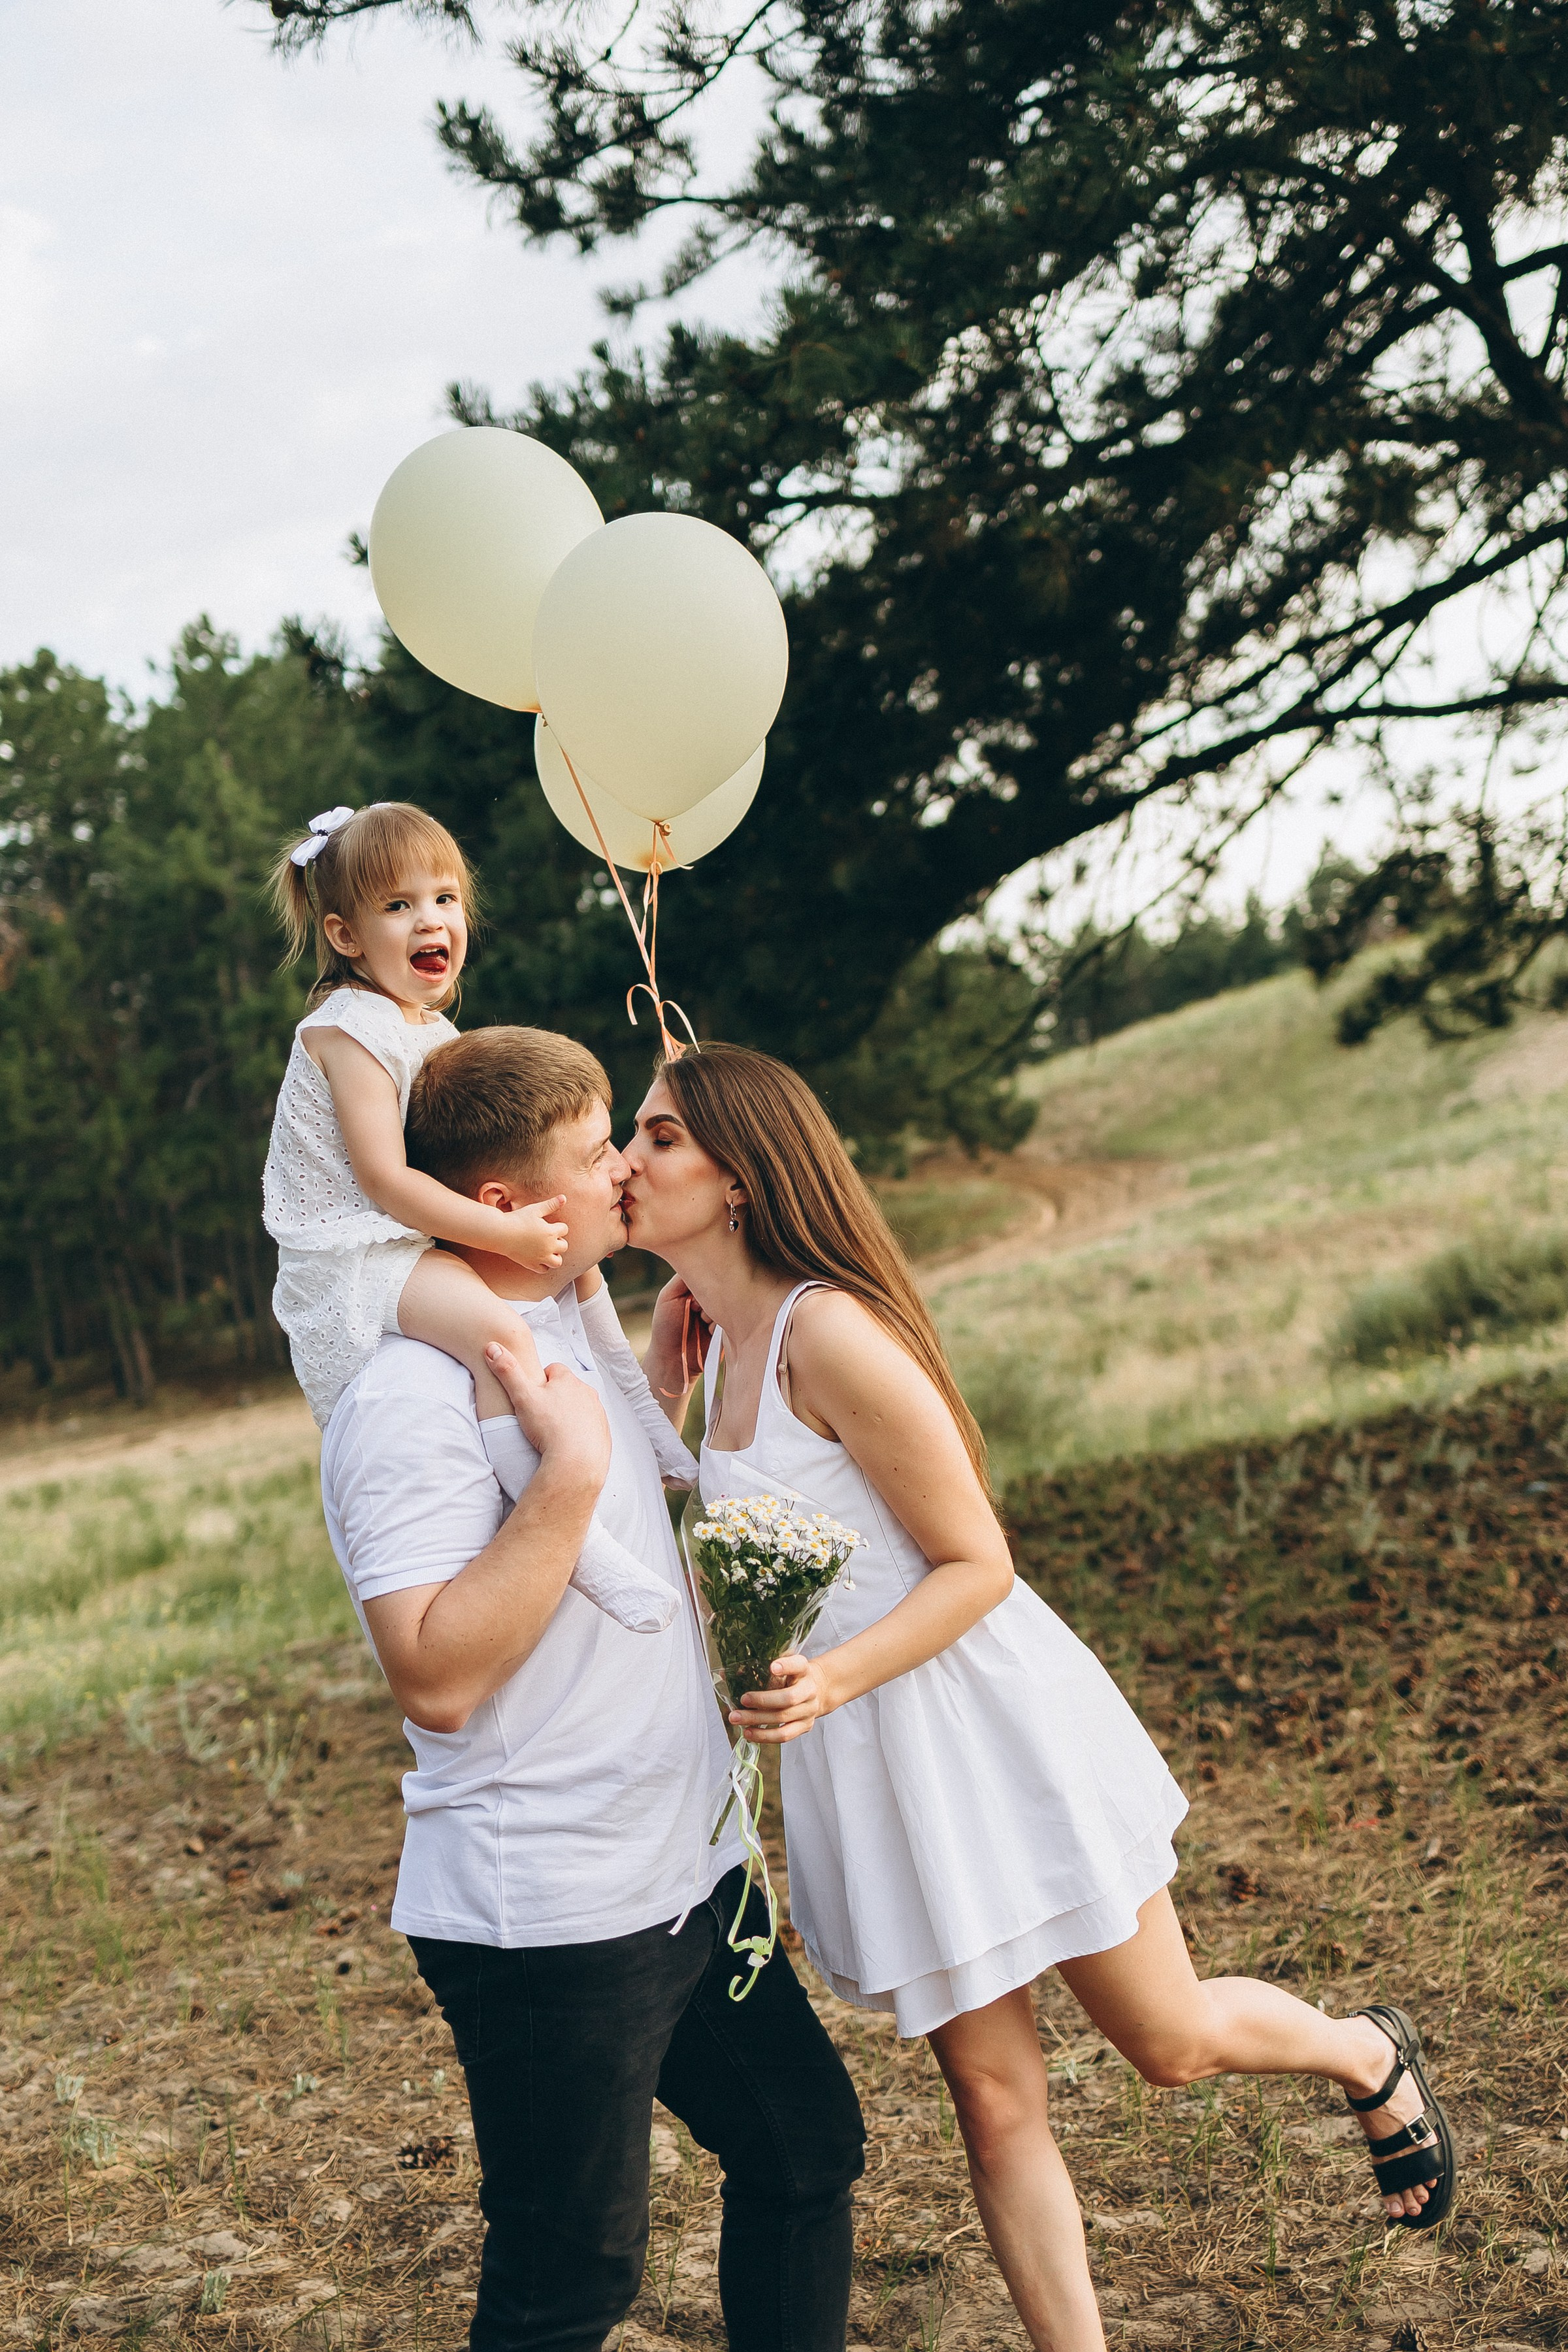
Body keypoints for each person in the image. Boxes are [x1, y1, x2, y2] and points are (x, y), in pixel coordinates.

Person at [620, 1043, 1456, 2352]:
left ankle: (1364, 2052)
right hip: (869, 1765)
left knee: (1168, 2044)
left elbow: (980, 1564)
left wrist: (830, 1674)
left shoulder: (830, 1332)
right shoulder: (712, 1347)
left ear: (738, 1175)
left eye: (658, 1136)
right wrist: (676, 1368)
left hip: (978, 1722)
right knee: (997, 2108)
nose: (625, 1161)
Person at [319, 1022, 865, 2352]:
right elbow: (436, 1675)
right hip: (554, 1917)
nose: (626, 1167)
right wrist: (566, 1477)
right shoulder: (412, 1398)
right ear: (503, 1208)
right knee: (572, 2282)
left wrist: (652, 1414)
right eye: (595, 1151)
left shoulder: (564, 1321)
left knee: (805, 2150)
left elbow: (620, 1562)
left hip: (687, 1873)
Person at [263, 799, 683, 1632]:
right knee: (506, 1344)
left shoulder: (429, 1026)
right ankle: (583, 1543)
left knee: (582, 1279)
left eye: (445, 898)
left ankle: (655, 1432)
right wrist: (506, 1232)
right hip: (358, 1253)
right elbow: (383, 1180)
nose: (432, 920)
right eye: (399, 906)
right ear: (346, 936)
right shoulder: (346, 1029)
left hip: (416, 1236)